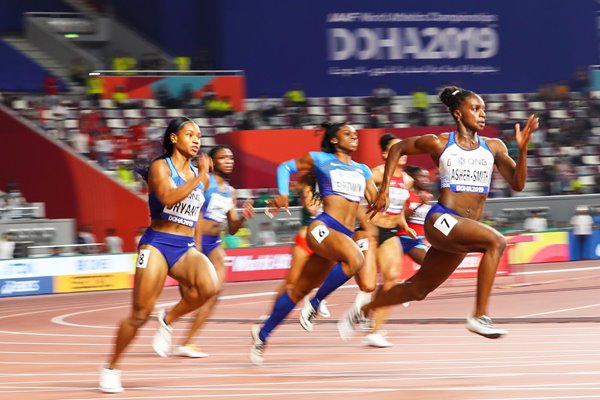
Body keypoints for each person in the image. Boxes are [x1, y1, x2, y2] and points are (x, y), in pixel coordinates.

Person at [338, 86, 539, 341]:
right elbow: (398, 149)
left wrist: (522, 152)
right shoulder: (440, 142)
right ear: (458, 113)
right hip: (441, 219)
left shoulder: (494, 147)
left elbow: (518, 183)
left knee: (418, 289)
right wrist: (385, 188)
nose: (482, 114)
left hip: (462, 227)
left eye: (484, 110)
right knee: (496, 241)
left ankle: (361, 310)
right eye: (475, 109)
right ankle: (479, 316)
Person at [99, 117, 219, 393]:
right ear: (174, 138)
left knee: (209, 286)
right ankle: (111, 367)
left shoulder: (200, 177)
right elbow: (167, 198)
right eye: (190, 134)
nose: (197, 139)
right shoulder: (160, 167)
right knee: (140, 315)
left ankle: (168, 319)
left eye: (199, 135)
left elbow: (196, 217)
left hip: (185, 246)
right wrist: (201, 176)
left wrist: (197, 246)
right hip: (157, 244)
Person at [249, 122, 377, 365]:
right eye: (347, 133)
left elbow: (375, 200)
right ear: (335, 140)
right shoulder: (320, 159)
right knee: (355, 259)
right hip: (323, 227)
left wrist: (382, 198)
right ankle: (315, 303)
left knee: (297, 289)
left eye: (356, 134)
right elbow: (285, 167)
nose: (354, 136)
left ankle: (262, 334)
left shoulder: (363, 170)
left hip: (342, 235)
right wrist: (284, 193)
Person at [175, 145, 255, 358]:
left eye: (231, 157)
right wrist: (197, 246)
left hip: (215, 243)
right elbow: (196, 215)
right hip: (194, 240)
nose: (229, 161)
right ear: (212, 161)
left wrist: (244, 216)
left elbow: (232, 228)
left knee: (214, 292)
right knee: (192, 295)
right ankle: (169, 319)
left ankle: (187, 343)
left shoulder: (230, 191)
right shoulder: (205, 182)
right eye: (223, 157)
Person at [399, 165, 434, 265]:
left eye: (426, 177)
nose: (425, 180)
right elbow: (403, 217)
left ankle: (410, 282)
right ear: (413, 178)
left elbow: (427, 220)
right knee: (390, 272)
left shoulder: (428, 196)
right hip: (401, 238)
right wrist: (420, 205)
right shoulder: (407, 194)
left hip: (417, 241)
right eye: (421, 177)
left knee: (428, 267)